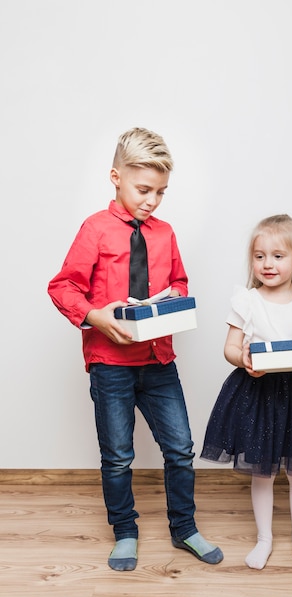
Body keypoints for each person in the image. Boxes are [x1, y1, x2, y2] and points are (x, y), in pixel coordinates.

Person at [48, 127, 223, 571]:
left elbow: (179, 282)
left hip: (159, 360)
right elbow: (63, 286)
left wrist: (171, 300)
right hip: (111, 364)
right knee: (118, 455)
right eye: (143, 189)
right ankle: (125, 531)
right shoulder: (95, 229)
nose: (152, 200)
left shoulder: (166, 233)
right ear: (116, 177)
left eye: (161, 192)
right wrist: (96, 317)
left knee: (181, 447)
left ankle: (184, 529)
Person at [201, 214, 292, 571]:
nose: (268, 263)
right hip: (258, 393)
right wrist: (244, 358)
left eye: (278, 256)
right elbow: (230, 348)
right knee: (262, 471)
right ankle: (264, 538)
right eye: (260, 255)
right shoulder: (247, 302)